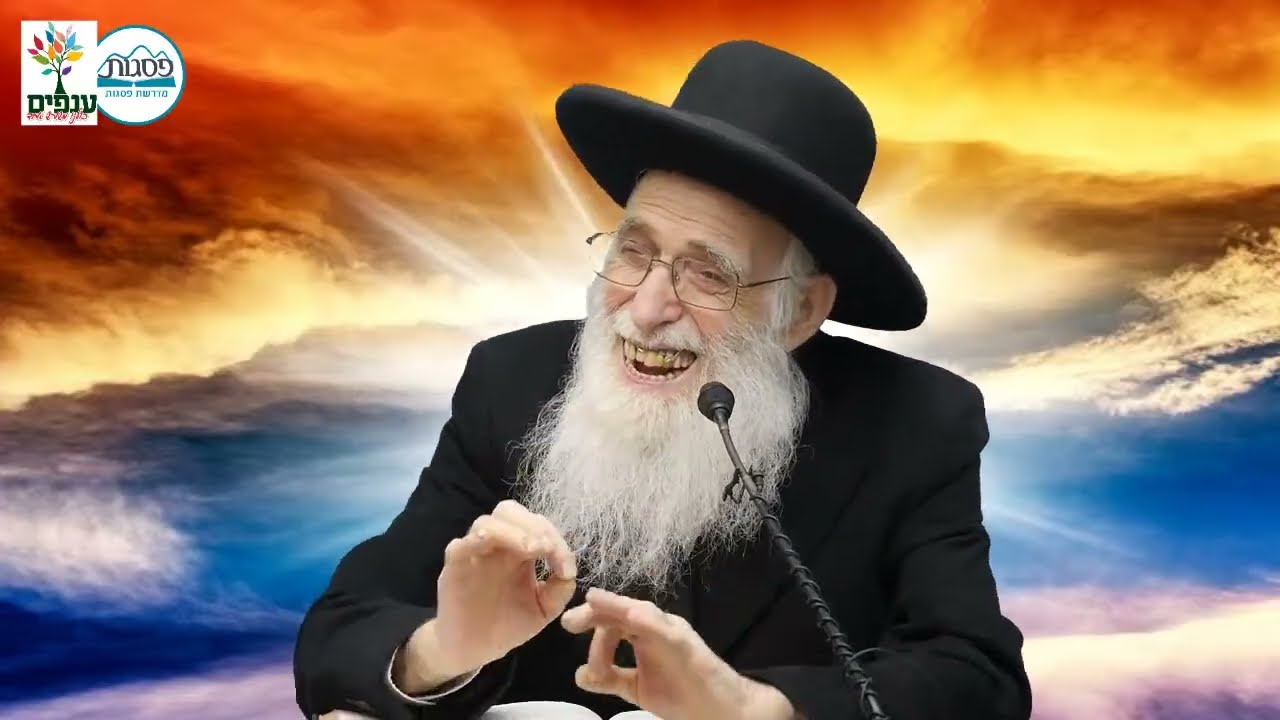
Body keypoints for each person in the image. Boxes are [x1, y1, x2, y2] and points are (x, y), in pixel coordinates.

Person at [293, 39, 1033, 720]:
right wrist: (445, 649)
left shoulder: (916, 422)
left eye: (709, 274)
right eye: (633, 252)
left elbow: (978, 677)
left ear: (801, 310)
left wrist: (754, 709)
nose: (646, 310)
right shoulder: (509, 380)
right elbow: (341, 630)